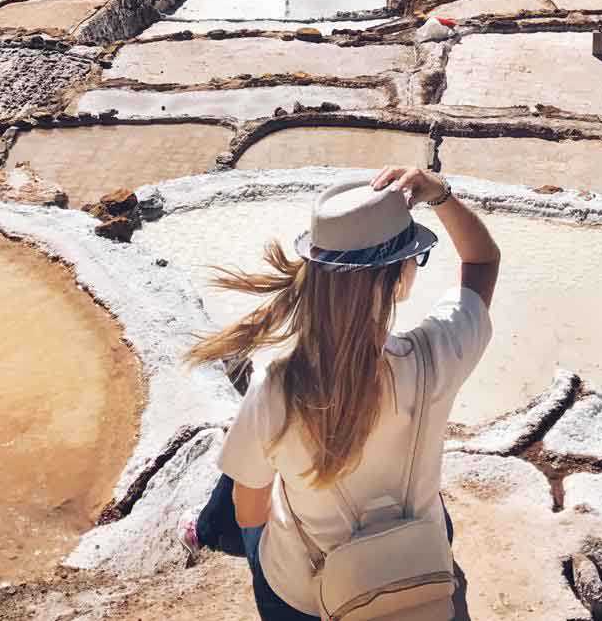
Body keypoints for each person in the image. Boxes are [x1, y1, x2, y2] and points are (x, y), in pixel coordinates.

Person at [181, 167, 500, 620]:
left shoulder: (276, 381)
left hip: (308, 593)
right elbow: (483, 262)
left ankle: (205, 532)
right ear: (397, 279)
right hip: (419, 568)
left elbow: (250, 512)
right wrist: (440, 195)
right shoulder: (439, 354)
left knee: (249, 485)